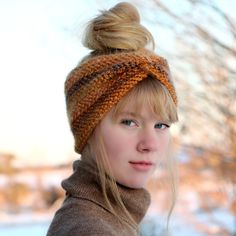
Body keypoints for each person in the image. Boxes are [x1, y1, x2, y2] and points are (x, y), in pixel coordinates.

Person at [47, 2, 178, 236]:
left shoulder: (110, 219)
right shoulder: (90, 229)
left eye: (161, 125)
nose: (149, 143)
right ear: (88, 126)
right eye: (129, 122)